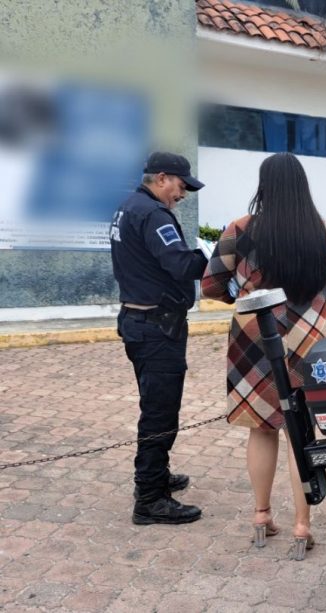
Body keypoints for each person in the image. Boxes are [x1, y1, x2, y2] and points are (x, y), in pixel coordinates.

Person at [201, 152, 326, 557]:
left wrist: (244, 287)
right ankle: (303, 525)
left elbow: (211, 285)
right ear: (302, 185)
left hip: (256, 341)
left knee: (261, 428)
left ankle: (261, 515)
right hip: (309, 343)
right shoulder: (321, 230)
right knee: (300, 430)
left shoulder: (239, 230)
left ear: (263, 185)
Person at [109, 151, 208, 525]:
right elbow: (181, 264)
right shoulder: (152, 213)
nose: (182, 195)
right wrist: (215, 256)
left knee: (155, 405)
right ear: (163, 178)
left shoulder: (128, 207)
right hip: (157, 328)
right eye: (181, 186)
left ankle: (156, 474)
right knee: (160, 412)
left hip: (139, 322)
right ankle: (150, 497)